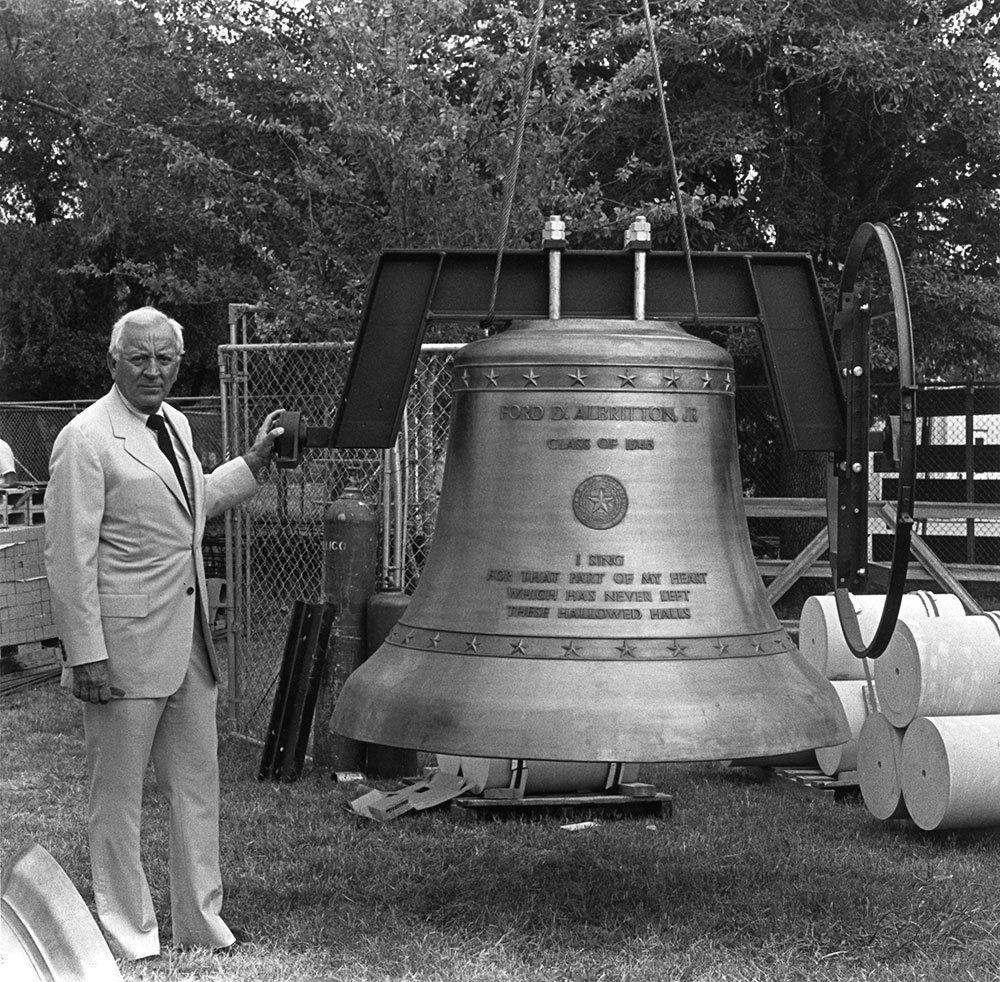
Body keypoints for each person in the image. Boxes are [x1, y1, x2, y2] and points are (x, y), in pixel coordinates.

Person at [43, 306, 284, 961]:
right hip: (119, 655)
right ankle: (129, 933)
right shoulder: (86, 438)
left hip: (189, 648)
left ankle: (201, 926)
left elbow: (190, 505)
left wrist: (254, 464)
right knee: (116, 803)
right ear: (113, 361)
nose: (154, 370)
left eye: (166, 359)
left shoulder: (174, 423)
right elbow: (69, 557)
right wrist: (85, 653)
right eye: (140, 358)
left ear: (180, 362)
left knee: (196, 795)